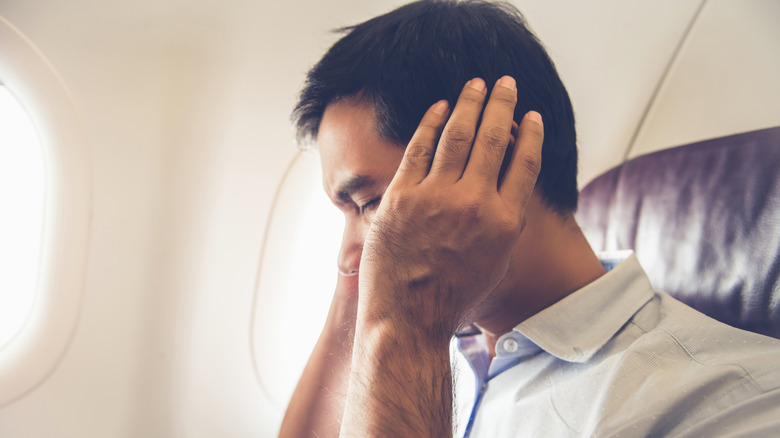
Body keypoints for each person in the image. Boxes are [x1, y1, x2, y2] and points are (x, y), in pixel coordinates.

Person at [279, 1, 780, 437]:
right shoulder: (439, 351)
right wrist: (368, 298)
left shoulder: (730, 399)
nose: (346, 254)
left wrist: (405, 319)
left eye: (369, 203)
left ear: (494, 156)